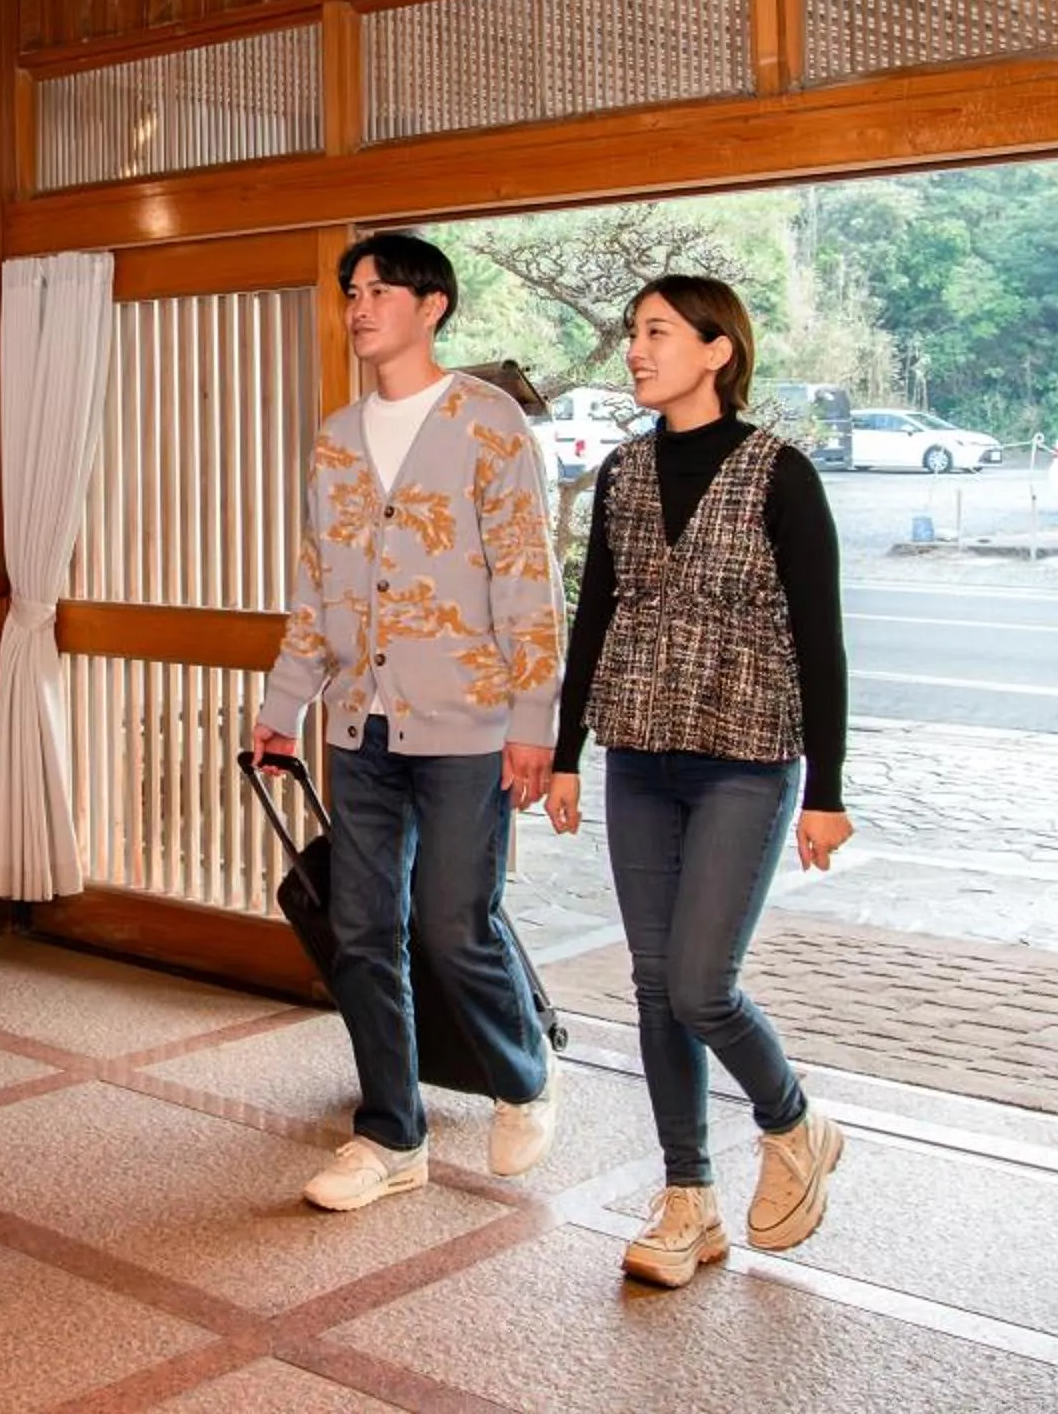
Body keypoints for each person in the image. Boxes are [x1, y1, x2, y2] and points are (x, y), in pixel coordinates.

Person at [542, 273, 854, 1286]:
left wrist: (827, 789)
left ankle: (794, 1121)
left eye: (658, 332)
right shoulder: (625, 473)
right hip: (639, 753)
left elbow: (821, 636)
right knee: (649, 983)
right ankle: (688, 1199)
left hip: (748, 759)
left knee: (699, 983)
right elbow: (596, 617)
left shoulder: (779, 472)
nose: (637, 348)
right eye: (635, 332)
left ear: (718, 350)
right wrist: (564, 753)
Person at [253, 232, 565, 1211]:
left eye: (379, 288)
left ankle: (523, 1076)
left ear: (432, 305)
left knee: (454, 922)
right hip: (360, 724)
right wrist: (281, 706)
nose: (359, 304)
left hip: (472, 722)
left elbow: (526, 576)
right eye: (352, 289)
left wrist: (535, 719)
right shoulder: (337, 436)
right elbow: (318, 584)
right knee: (358, 928)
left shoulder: (489, 422)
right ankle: (393, 1132)